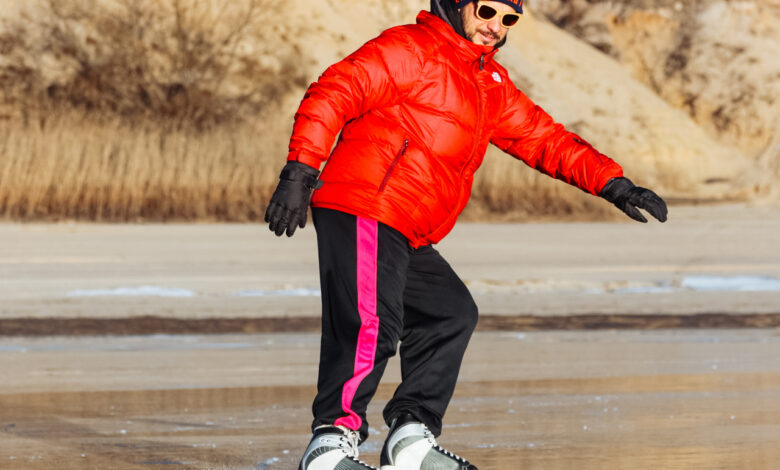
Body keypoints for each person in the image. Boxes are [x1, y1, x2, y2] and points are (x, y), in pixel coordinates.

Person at [264, 1, 668, 469]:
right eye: (487, 11)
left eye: (509, 20)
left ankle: (411, 440)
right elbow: (334, 91)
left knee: (449, 314)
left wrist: (613, 183)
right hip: (366, 202)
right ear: (456, 4)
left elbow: (542, 138)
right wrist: (300, 171)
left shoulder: (486, 82)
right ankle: (331, 444)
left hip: (408, 225)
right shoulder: (411, 49)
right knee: (371, 324)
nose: (495, 28)